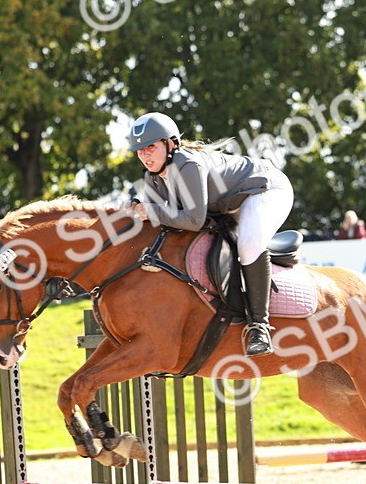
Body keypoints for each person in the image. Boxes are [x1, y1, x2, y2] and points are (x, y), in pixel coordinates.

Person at [125, 111, 293, 358]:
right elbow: (158, 217)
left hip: (264, 188)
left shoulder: (188, 165)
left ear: (170, 144)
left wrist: (151, 211)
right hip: (230, 202)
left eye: (150, 147)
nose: (145, 155)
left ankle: (259, 327)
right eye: (140, 151)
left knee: (247, 245)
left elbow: (193, 219)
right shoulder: (153, 178)